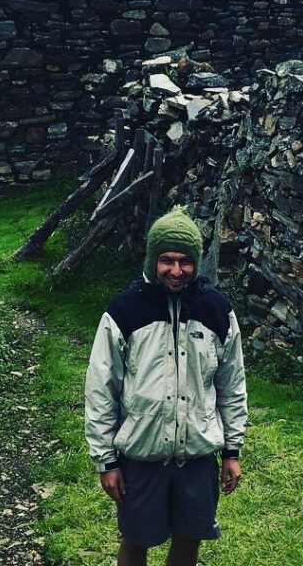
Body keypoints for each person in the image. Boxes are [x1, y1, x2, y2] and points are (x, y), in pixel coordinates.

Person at [85, 207, 247, 566]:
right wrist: (106, 461)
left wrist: (232, 452)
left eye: (185, 261)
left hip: (198, 456)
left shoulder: (217, 311)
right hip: (141, 457)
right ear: (152, 260)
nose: (176, 271)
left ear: (197, 262)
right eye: (166, 260)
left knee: (190, 539)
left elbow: (232, 384)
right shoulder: (124, 312)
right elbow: (101, 389)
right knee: (135, 541)